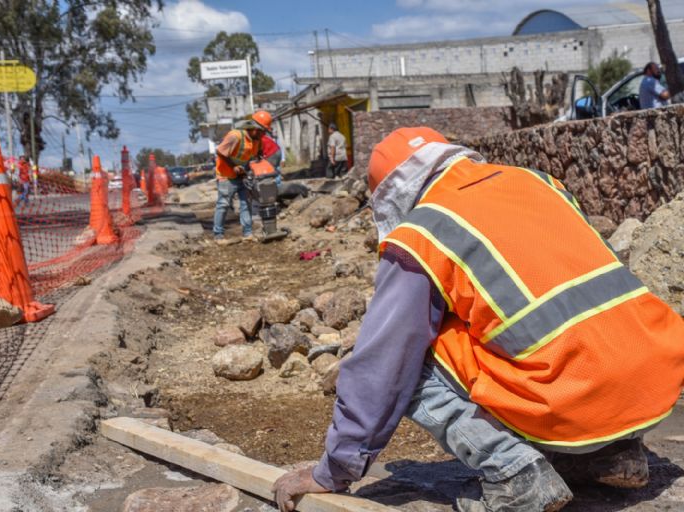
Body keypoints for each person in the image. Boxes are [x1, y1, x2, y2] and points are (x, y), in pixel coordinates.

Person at [273, 127, 684, 512]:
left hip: (575, 389)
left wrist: (334, 470)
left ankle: (514, 473)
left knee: (413, 352)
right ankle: (610, 453)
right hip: (651, 377)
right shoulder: (537, 182)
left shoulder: (422, 233)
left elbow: (383, 363)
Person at [212, 110, 270, 244]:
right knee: (223, 204)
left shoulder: (257, 140)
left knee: (246, 204)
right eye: (262, 132)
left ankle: (247, 233)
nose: (263, 135)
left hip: (242, 176)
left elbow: (257, 154)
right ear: (255, 128)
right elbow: (220, 151)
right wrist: (233, 166)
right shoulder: (235, 136)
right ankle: (218, 235)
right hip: (226, 175)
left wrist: (259, 161)